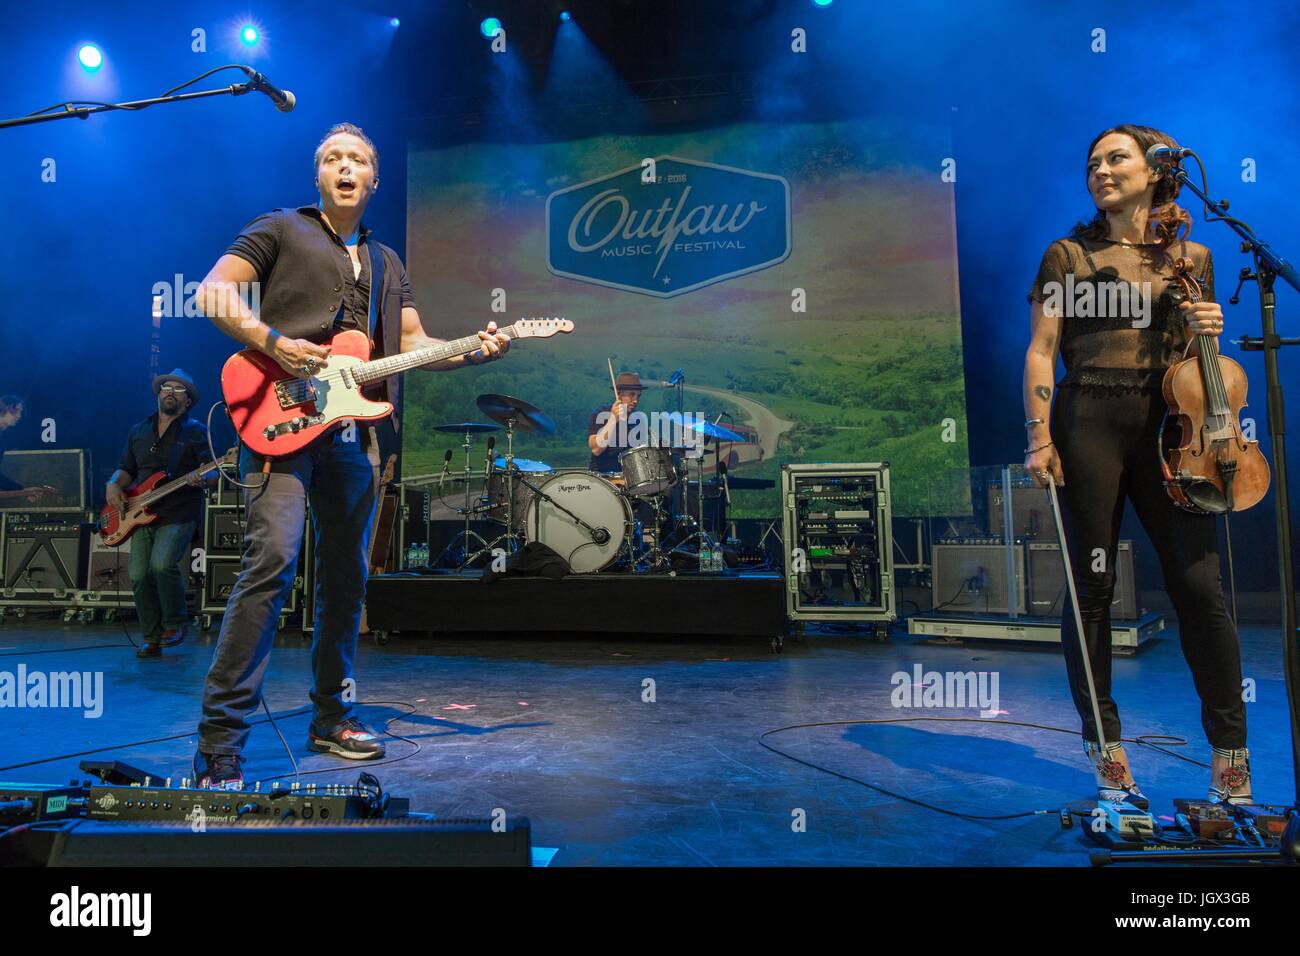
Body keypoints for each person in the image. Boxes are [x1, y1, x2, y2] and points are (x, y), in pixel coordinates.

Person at [190, 123, 509, 789]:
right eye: (332, 157)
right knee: (272, 562)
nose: (344, 167)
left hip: (350, 438)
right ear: (318, 177)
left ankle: (332, 716)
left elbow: (417, 343)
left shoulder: (389, 262)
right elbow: (214, 292)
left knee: (348, 581)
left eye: (357, 159)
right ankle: (221, 741)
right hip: (277, 419)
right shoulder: (281, 228)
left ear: (373, 180)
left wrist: (473, 348)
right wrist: (270, 340)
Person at [1023, 124, 1250, 806]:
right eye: (1092, 162)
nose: (1100, 169)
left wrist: (1209, 328)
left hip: (1170, 428)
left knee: (1200, 587)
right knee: (1091, 589)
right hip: (1088, 419)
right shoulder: (1068, 254)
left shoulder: (1193, 256)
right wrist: (1039, 437)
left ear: (1156, 168)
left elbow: (1194, 362)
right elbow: (1042, 349)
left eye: (1115, 157)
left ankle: (1231, 757)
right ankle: (1108, 753)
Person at [106, 371, 212, 658]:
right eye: (166, 387)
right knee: (139, 574)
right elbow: (125, 468)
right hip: (139, 511)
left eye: (178, 390)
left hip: (179, 509)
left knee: (162, 565)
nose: (170, 392)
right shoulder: (139, 430)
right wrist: (113, 484)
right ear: (158, 394)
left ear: (187, 401)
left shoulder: (196, 431)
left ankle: (176, 623)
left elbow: (213, 469)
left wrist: (203, 478)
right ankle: (151, 637)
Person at [0, 395, 56, 503]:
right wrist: (23, 490)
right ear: (3, 409)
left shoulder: (3, 436)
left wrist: (22, 490)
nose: (19, 416)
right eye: (15, 411)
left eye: (20, 412)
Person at [588, 372, 645, 474]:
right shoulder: (600, 414)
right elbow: (596, 449)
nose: (636, 400)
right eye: (632, 394)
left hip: (629, 479)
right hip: (602, 478)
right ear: (619, 394)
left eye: (638, 396)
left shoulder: (637, 419)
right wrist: (613, 419)